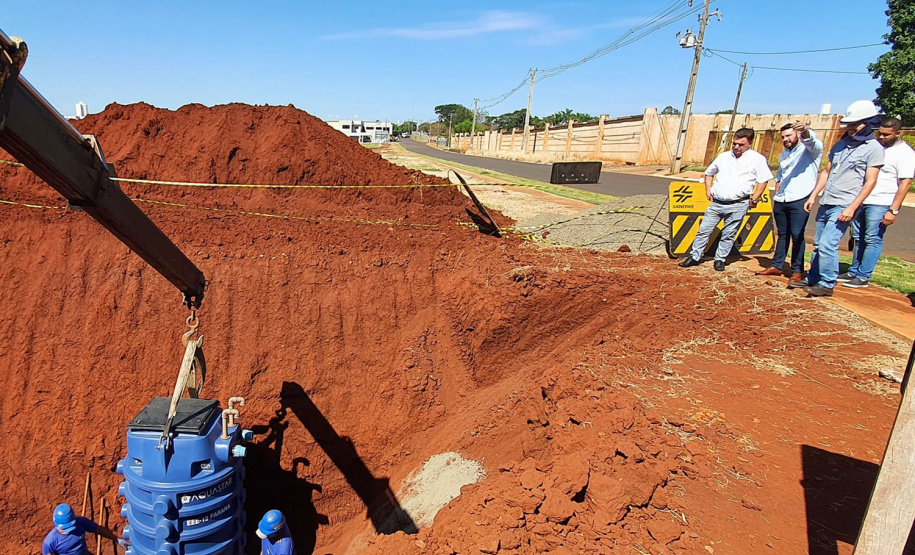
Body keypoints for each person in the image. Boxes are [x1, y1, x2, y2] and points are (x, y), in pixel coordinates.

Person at [801, 100, 884, 297]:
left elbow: (870, 181)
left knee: (829, 242)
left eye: (856, 124)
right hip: (827, 200)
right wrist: (814, 195)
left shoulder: (873, 148)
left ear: (868, 122)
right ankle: (813, 277)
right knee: (819, 243)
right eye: (849, 124)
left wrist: (852, 207)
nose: (851, 128)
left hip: (845, 203)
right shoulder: (841, 145)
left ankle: (827, 283)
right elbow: (826, 171)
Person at [679, 127, 774, 271]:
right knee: (704, 230)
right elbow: (709, 173)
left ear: (750, 143)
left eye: (741, 144)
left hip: (738, 204)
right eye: (734, 143)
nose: (736, 147)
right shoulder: (724, 157)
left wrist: (754, 199)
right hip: (717, 203)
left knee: (729, 234)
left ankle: (720, 259)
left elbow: (763, 181)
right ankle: (695, 256)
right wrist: (708, 189)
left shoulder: (757, 159)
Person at [838, 116, 914, 288]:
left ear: (898, 133)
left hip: (881, 202)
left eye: (886, 135)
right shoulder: (875, 147)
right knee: (858, 237)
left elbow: (905, 183)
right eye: (880, 134)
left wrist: (893, 210)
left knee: (872, 238)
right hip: (862, 200)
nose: (881, 137)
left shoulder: (905, 153)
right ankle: (853, 271)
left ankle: (863, 276)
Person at [757, 121, 823, 285]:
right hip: (782, 198)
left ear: (797, 135)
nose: (785, 139)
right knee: (782, 234)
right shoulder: (784, 153)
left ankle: (797, 271)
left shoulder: (810, 151)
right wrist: (778, 181)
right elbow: (782, 170)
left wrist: (805, 131)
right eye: (783, 137)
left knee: (797, 235)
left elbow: (812, 142)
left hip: (800, 198)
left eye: (789, 135)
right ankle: (777, 265)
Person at [42, 503, 125, 555]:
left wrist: (117, 539)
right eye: (64, 528)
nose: (68, 531)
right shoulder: (50, 542)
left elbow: (99, 529)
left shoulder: (81, 522)